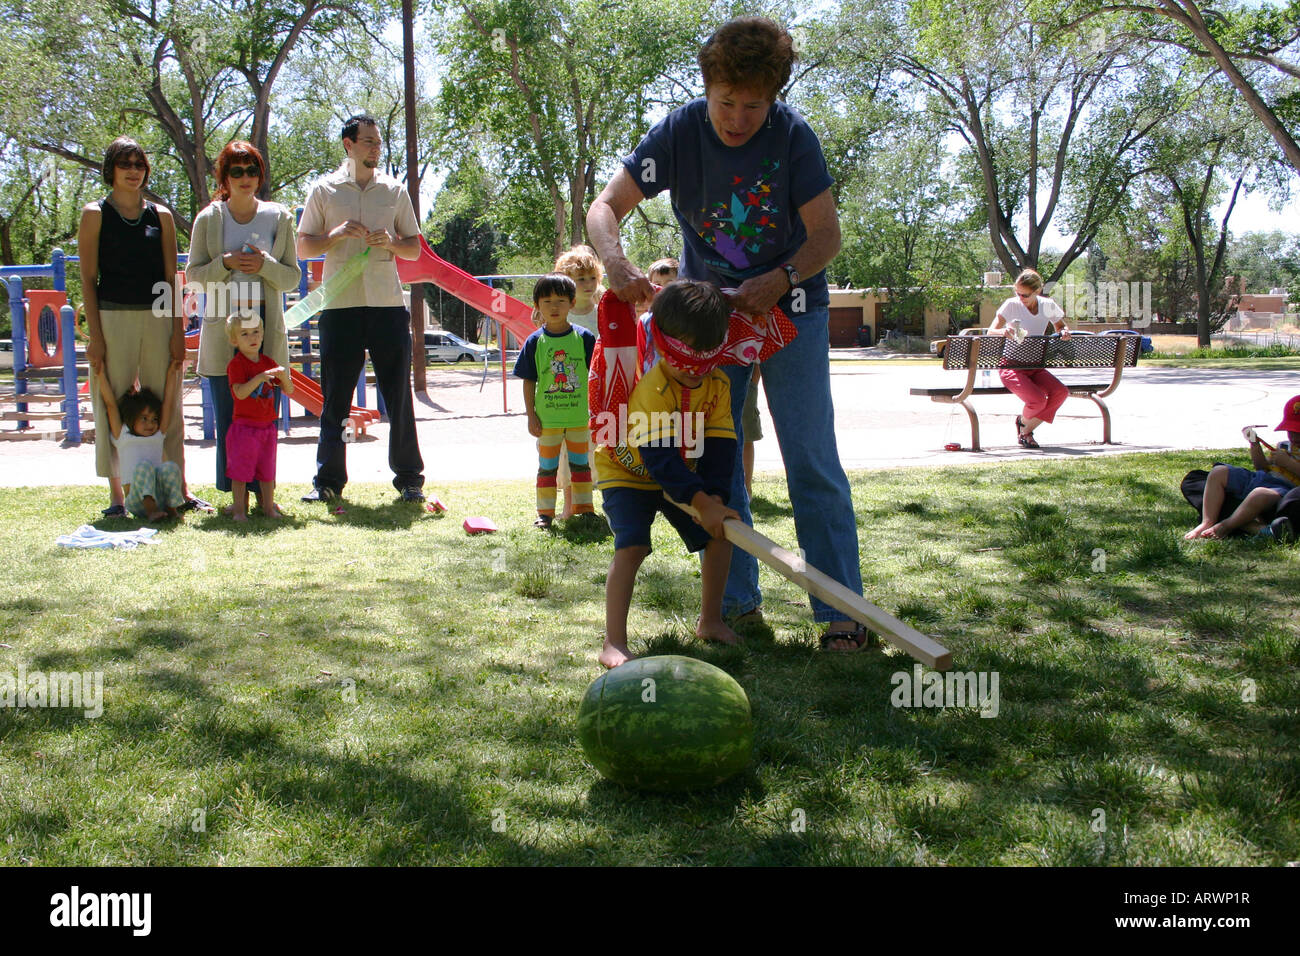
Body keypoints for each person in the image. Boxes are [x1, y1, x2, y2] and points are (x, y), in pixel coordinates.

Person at [587, 15, 867, 650]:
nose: (737, 117)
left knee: (811, 458)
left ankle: (841, 613)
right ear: (706, 87)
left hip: (792, 309)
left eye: (753, 105)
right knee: (718, 463)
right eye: (725, 102)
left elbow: (826, 236)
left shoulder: (793, 136)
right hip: (710, 322)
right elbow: (604, 207)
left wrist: (782, 276)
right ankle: (736, 607)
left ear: (773, 99)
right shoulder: (680, 133)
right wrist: (617, 262)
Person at [594, 281, 741, 668]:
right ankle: (614, 642)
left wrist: (716, 500)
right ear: (661, 343)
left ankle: (710, 621)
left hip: (683, 475)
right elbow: (660, 459)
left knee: (720, 536)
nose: (693, 374)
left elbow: (722, 446)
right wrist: (700, 501)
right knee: (633, 546)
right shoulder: (652, 388)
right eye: (684, 362)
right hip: (627, 471)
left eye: (702, 364)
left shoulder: (718, 385)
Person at [296, 114, 426, 503]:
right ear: (348, 145)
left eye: (378, 142)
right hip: (340, 307)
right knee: (335, 397)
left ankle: (410, 480)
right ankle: (328, 482)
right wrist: (334, 235)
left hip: (387, 304)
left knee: (398, 396)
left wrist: (391, 243)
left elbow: (415, 248)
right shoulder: (323, 191)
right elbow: (303, 247)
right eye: (368, 141)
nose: (375, 148)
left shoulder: (394, 190)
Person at [186, 141, 300, 510]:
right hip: (225, 335)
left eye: (252, 170)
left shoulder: (279, 216)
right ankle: (237, 498)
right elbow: (194, 277)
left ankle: (264, 496)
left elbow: (290, 279)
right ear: (224, 177)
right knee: (231, 421)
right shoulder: (209, 218)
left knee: (265, 418)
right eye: (237, 171)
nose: (246, 178)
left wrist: (265, 264)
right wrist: (226, 262)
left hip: (265, 333)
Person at [79, 137, 187, 516]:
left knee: (167, 400)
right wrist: (95, 337)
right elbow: (88, 277)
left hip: (158, 316)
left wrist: (177, 331)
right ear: (111, 169)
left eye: (139, 163)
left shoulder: (161, 216)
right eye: (125, 163)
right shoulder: (95, 213)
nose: (133, 170)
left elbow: (172, 277)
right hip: (112, 318)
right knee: (111, 401)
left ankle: (175, 490)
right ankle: (118, 495)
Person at [513, 274, 598, 529]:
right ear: (537, 305)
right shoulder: (534, 342)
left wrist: (595, 411)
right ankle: (545, 514)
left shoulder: (585, 338)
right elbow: (529, 381)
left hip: (579, 419)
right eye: (546, 301)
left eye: (560, 300)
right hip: (547, 421)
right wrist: (531, 415)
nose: (554, 307)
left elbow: (595, 376)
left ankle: (584, 509)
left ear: (572, 303)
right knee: (547, 468)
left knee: (581, 466)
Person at [1186, 396, 1300, 540]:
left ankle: (1226, 526)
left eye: (1299, 432)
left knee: (1259, 494)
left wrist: (1288, 463)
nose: (1295, 437)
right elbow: (1262, 467)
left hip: (1283, 490)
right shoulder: (1284, 445)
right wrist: (1254, 444)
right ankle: (1207, 521)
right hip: (1262, 478)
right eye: (1291, 432)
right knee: (1218, 472)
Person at [988, 268, 1070, 449]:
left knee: (1060, 392)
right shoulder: (1011, 305)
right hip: (1012, 366)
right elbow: (991, 330)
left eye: (1024, 295)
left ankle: (1024, 427)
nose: (1020, 298)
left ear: (1037, 292)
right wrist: (1003, 331)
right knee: (1038, 400)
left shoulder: (1047, 305)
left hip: (1035, 366)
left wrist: (1063, 331)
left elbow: (1061, 326)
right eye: (1017, 292)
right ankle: (1025, 429)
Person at [95, 360, 185, 521]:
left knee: (170, 467)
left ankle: (171, 509)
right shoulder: (122, 435)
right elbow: (111, 405)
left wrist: (172, 373)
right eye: (144, 418)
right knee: (144, 466)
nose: (150, 424)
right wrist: (101, 374)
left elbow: (168, 404)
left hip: (161, 499)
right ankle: (151, 511)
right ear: (132, 417)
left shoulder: (158, 435)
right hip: (137, 501)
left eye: (154, 419)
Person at [551, 246, 604, 517]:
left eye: (591, 277)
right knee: (566, 451)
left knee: (599, 450)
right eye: (579, 278)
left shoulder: (605, 309)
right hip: (568, 395)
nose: (587, 284)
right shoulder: (561, 314)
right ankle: (569, 507)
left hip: (600, 394)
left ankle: (596, 506)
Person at [225, 310, 292, 521]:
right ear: (234, 340)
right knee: (240, 471)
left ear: (262, 335)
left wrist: (283, 376)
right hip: (244, 428)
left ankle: (269, 507)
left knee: (267, 471)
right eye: (244, 334)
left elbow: (289, 390)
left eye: (255, 332)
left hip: (267, 427)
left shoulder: (268, 362)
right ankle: (238, 510)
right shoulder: (236, 364)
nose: (252, 338)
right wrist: (260, 378)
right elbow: (239, 393)